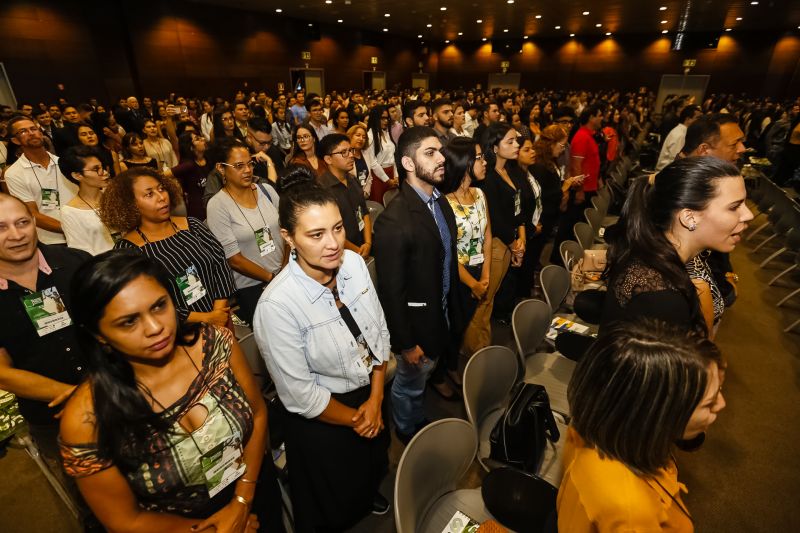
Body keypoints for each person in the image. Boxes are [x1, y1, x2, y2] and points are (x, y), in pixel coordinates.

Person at [59, 251, 284, 533]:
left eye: (159, 306)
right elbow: (125, 520)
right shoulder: (87, 419)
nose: (155, 328)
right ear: (98, 334)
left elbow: (258, 414)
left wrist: (241, 500)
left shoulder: (214, 344)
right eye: (129, 322)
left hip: (252, 490)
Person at [253, 167, 390, 531]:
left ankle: (365, 495)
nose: (333, 244)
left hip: (370, 395)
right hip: (325, 419)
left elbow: (379, 334)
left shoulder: (356, 264)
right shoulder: (277, 305)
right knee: (330, 500)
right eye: (316, 234)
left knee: (371, 467)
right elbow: (300, 395)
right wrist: (360, 419)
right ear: (289, 237)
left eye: (338, 228)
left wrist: (375, 401)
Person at [558, 319, 726, 533]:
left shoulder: (603, 425)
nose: (722, 404)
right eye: (709, 403)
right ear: (655, 414)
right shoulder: (631, 512)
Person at [373, 126, 462, 437]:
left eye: (440, 151)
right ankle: (406, 427)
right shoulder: (394, 221)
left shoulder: (439, 200)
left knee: (424, 375)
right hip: (417, 325)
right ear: (408, 163)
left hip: (440, 312)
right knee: (410, 383)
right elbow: (391, 293)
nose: (441, 159)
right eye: (430, 153)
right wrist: (407, 343)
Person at [602, 157, 753, 335]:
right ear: (689, 218)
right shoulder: (662, 300)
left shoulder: (654, 250)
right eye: (734, 207)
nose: (749, 214)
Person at [0, 193, 90, 492]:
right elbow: (2, 371)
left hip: (117, 395)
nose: (16, 235)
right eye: (1, 227)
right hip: (55, 419)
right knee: (91, 500)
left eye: (23, 222)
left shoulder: (76, 262)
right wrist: (77, 397)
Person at [100, 167, 236, 327]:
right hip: (176, 335)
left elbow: (220, 266)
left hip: (221, 320)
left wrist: (218, 314)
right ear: (130, 204)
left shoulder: (193, 225)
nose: (162, 197)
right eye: (149, 194)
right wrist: (205, 318)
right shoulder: (128, 251)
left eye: (161, 189)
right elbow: (145, 302)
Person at [206, 137, 284, 326]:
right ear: (220, 168)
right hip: (253, 288)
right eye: (239, 166)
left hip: (284, 275)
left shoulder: (266, 190)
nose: (248, 170)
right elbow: (234, 259)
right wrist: (270, 278)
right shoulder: (217, 205)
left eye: (249, 164)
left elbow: (286, 231)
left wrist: (285, 270)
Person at [440, 137, 492, 359]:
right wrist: (472, 283)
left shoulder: (479, 194)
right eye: (479, 158)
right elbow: (447, 253)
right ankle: (449, 370)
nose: (485, 162)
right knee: (454, 327)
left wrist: (486, 274)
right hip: (458, 276)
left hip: (481, 270)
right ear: (464, 162)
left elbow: (487, 235)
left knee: (473, 322)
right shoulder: (444, 203)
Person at [476, 122, 525, 322]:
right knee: (486, 299)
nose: (517, 146)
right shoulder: (488, 178)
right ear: (495, 147)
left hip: (511, 242)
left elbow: (518, 209)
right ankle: (474, 348)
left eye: (517, 141)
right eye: (510, 141)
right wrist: (515, 246)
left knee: (493, 296)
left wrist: (521, 239)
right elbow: (494, 220)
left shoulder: (510, 171)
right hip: (497, 243)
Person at [4, 116, 78, 245]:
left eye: (33, 128)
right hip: (53, 240)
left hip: (85, 232)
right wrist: (71, 229)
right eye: (23, 131)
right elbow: (31, 213)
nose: (31, 133)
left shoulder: (64, 162)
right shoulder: (14, 173)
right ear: (15, 140)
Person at [319, 133, 372, 258]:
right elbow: (329, 231)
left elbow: (364, 212)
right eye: (344, 152)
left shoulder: (352, 179)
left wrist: (368, 243)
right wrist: (358, 252)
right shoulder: (322, 190)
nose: (351, 155)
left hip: (363, 245)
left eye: (351, 150)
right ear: (328, 159)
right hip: (341, 254)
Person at [57, 146, 117, 255]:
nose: (104, 172)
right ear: (77, 175)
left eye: (102, 167)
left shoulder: (114, 198)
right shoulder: (70, 212)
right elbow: (81, 253)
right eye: (96, 169)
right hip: (104, 266)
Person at [515, 136, 544, 297]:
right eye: (527, 150)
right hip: (526, 231)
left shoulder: (530, 171)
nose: (533, 152)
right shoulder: (516, 176)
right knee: (523, 270)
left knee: (530, 266)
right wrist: (532, 227)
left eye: (532, 148)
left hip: (535, 227)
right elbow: (520, 210)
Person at [171, 131, 211, 220]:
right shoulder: (188, 165)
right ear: (191, 147)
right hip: (198, 211)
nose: (203, 139)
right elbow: (163, 174)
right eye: (197, 139)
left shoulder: (208, 159)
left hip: (212, 205)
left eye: (201, 137)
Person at [363, 106, 399, 204]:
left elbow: (393, 157)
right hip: (378, 177)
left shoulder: (386, 132)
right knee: (379, 206)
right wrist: (387, 179)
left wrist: (396, 175)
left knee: (392, 204)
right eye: (382, 118)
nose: (386, 121)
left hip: (391, 173)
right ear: (375, 118)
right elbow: (373, 162)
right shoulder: (369, 136)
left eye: (387, 118)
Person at [656, 105, 702, 171]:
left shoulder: (682, 131)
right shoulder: (680, 134)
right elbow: (676, 161)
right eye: (697, 118)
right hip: (664, 173)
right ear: (688, 119)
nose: (699, 121)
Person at [348, 124, 371, 196]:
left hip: (363, 195)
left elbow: (369, 177)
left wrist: (366, 192)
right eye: (358, 135)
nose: (361, 139)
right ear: (350, 136)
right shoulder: (345, 154)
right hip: (349, 195)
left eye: (364, 137)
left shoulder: (366, 154)